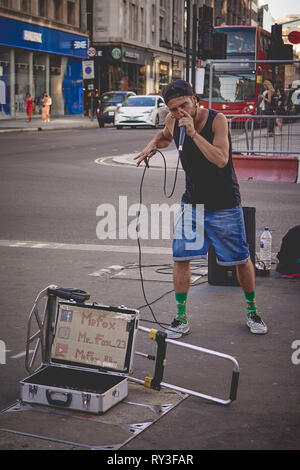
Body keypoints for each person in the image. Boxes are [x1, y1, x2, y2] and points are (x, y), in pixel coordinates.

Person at [134, 79, 268, 338]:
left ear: (195, 99)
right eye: (173, 109)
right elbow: (164, 135)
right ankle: (181, 317)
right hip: (192, 202)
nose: (178, 113)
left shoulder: (217, 120)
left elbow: (221, 158)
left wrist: (193, 135)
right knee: (181, 258)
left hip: (224, 203)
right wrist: (151, 146)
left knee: (240, 259)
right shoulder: (174, 122)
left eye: (183, 105)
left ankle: (252, 311)